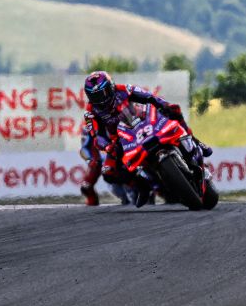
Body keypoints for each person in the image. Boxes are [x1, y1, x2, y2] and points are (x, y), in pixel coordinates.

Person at [78, 71, 212, 207]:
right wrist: (107, 146)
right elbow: (97, 136)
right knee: (108, 172)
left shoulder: (124, 89)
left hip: (143, 121)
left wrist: (163, 105)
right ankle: (143, 186)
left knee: (174, 110)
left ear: (111, 87)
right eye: (95, 96)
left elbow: (149, 97)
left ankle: (196, 142)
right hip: (121, 138)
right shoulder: (90, 112)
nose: (101, 99)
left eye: (103, 93)